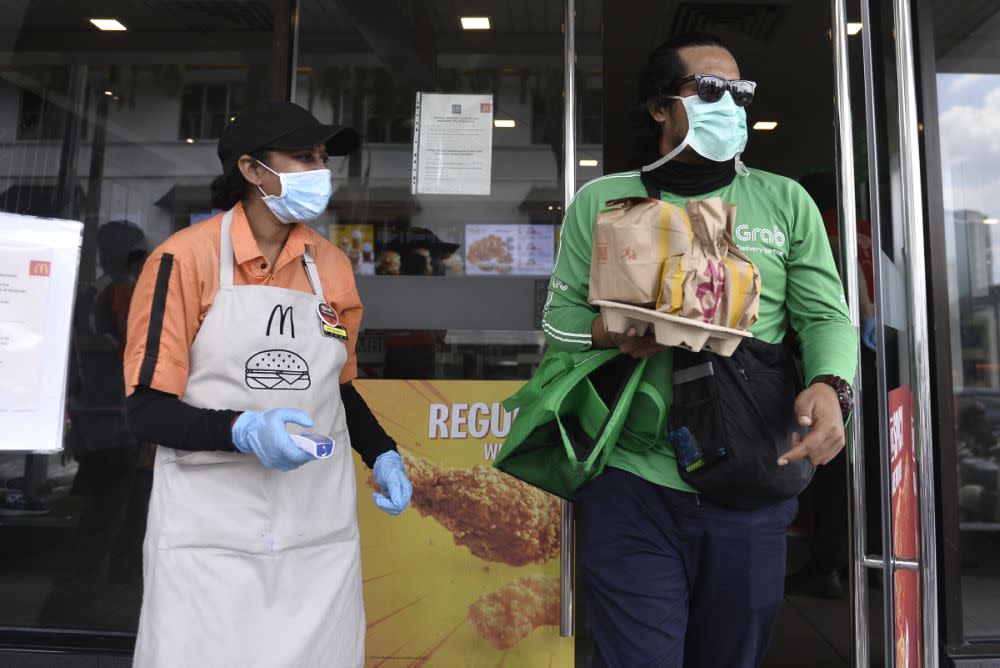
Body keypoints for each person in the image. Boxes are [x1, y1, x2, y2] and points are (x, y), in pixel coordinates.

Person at [541, 34, 858, 667]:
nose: (731, 105)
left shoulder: (783, 200)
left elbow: (826, 315)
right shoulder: (603, 200)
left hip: (748, 475)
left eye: (741, 93)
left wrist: (832, 385)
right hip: (632, 480)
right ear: (661, 108)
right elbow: (558, 324)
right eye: (711, 91)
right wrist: (609, 332)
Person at [123, 101, 412, 667]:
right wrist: (245, 431)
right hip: (211, 544)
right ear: (253, 171)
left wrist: (382, 453)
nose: (319, 170)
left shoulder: (329, 266)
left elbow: (338, 389)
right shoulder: (181, 262)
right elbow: (147, 411)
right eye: (303, 156)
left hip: (316, 538)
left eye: (322, 157)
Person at [786, 172, 882, 599]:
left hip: (845, 358)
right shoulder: (867, 230)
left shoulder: (826, 229)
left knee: (830, 464)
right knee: (872, 464)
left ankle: (825, 566)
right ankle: (880, 562)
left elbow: (843, 298)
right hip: (881, 355)